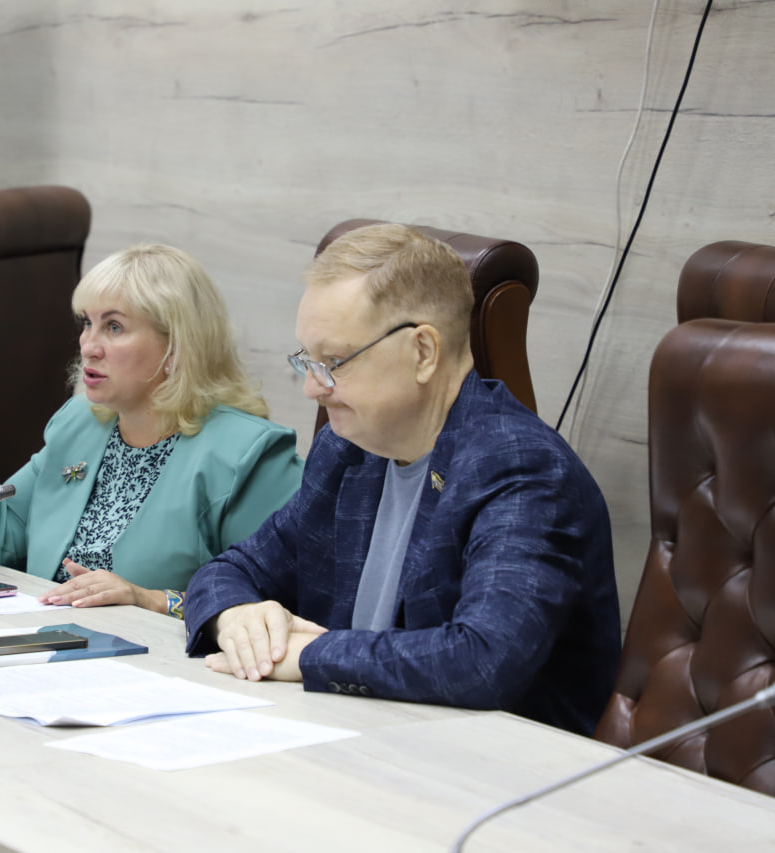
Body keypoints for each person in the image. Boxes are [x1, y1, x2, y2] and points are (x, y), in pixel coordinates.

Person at [185, 223, 621, 734]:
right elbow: (231, 569)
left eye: (334, 361)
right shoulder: (348, 452)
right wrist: (236, 616)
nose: (312, 389)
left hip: (487, 765)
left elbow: (482, 660)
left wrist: (307, 656)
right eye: (309, 361)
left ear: (423, 353)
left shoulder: (521, 469)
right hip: (349, 737)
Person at [0, 243, 303, 618]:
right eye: (87, 323)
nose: (88, 346)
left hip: (158, 653)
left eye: (114, 327)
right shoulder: (80, 422)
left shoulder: (248, 454)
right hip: (47, 639)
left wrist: (152, 600)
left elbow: (282, 605)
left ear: (176, 347)